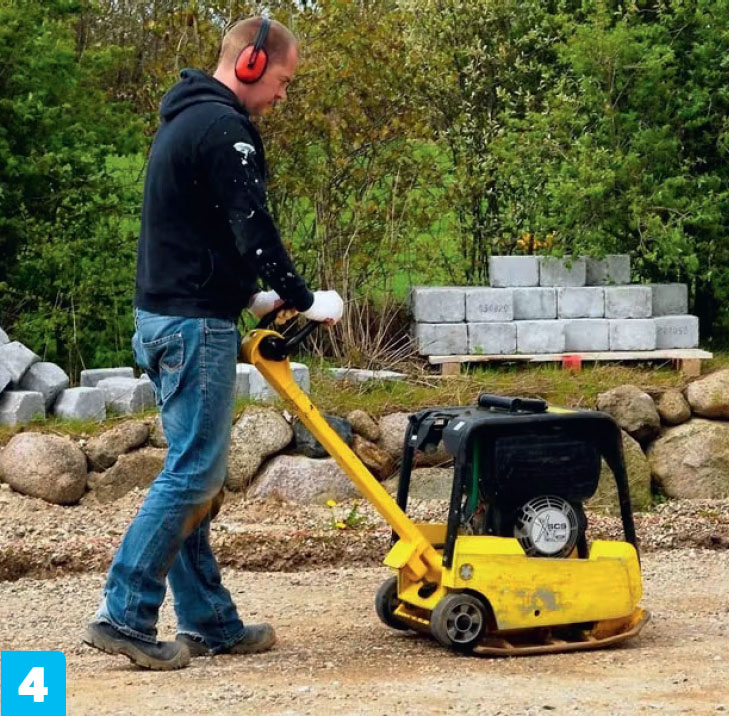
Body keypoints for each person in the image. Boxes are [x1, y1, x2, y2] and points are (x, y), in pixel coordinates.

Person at [83, 16, 343, 670]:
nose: (282, 94)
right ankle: (123, 612)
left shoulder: (188, 121)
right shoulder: (224, 129)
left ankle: (208, 621)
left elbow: (198, 234)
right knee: (196, 473)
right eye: (283, 80)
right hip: (192, 326)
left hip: (170, 315)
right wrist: (303, 297)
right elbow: (253, 228)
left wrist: (247, 298)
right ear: (251, 64)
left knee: (192, 473)